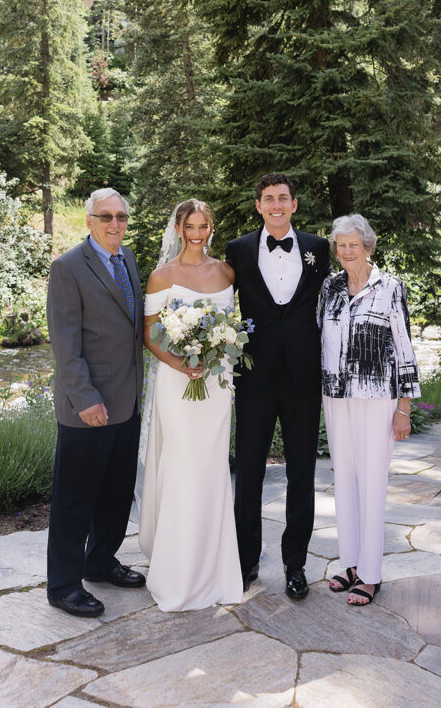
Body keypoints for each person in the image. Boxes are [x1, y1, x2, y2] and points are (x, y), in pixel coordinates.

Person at [225, 173, 331, 600]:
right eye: (268, 199)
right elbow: (216, 300)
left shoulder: (318, 248)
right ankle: (245, 560)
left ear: (294, 204)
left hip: (304, 377)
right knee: (248, 470)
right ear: (258, 206)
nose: (275, 205)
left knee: (301, 471)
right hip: (254, 378)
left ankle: (295, 565)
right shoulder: (237, 250)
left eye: (283, 198)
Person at [138, 198, 243, 611]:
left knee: (213, 468)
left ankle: (216, 572)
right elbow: (150, 335)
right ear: (178, 229)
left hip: (217, 385)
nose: (197, 234)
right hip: (177, 382)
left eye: (204, 226)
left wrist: (215, 355)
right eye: (191, 227)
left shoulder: (226, 272)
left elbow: (231, 327)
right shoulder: (161, 276)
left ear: (210, 228)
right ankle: (176, 575)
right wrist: (182, 363)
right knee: (182, 465)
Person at [46, 188, 146, 617]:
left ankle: (100, 561)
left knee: (117, 492)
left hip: (126, 400)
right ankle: (64, 586)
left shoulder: (129, 261)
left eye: (121, 216)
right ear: (89, 220)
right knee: (75, 499)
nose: (114, 224)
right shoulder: (68, 268)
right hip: (87, 406)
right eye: (105, 216)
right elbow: (65, 345)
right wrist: (85, 398)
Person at [318, 213, 420, 606]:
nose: (346, 252)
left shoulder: (390, 286)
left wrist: (404, 408)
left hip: (378, 397)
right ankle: (350, 564)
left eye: (353, 245)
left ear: (368, 247)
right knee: (344, 480)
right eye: (340, 245)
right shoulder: (330, 286)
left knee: (372, 481)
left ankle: (371, 574)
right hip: (336, 394)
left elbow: (405, 348)